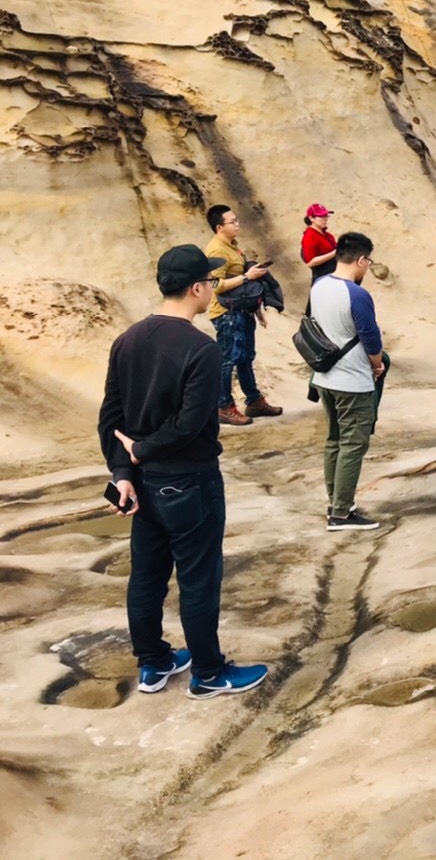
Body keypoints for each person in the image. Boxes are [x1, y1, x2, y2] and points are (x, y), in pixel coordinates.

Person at [98, 244, 269, 699]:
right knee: (198, 579)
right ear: (197, 288)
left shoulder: (127, 339)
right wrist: (143, 450)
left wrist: (124, 472)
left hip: (144, 484)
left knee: (147, 576)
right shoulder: (202, 347)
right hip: (189, 481)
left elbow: (110, 418)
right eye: (211, 282)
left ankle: (153, 664)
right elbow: (191, 424)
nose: (212, 288)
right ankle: (209, 674)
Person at [309, 232, 387, 531]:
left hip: (324, 376)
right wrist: (377, 365)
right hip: (352, 380)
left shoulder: (320, 285)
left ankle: (336, 501)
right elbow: (371, 337)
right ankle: (341, 513)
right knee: (354, 444)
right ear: (362, 260)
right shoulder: (357, 294)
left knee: (334, 441)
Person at [205, 204, 281, 427]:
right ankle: (223, 406)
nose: (237, 224)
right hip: (227, 313)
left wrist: (257, 311)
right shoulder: (217, 250)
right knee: (228, 359)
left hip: (241, 310)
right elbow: (215, 284)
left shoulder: (232, 246)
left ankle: (254, 400)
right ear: (220, 227)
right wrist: (248, 276)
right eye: (233, 221)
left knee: (246, 357)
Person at [300, 203, 337, 284]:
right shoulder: (310, 235)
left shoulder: (327, 235)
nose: (325, 219)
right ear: (311, 218)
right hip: (323, 278)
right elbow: (310, 262)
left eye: (326, 216)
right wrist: (334, 253)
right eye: (321, 216)